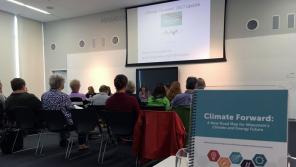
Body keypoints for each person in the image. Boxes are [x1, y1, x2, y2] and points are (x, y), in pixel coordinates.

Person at [41, 75, 88, 150]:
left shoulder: (44, 95)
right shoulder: (64, 96)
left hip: (50, 123)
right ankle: (81, 144)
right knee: (81, 119)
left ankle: (64, 140)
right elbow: (71, 109)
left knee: (61, 116)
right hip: (64, 123)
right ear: (60, 84)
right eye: (63, 83)